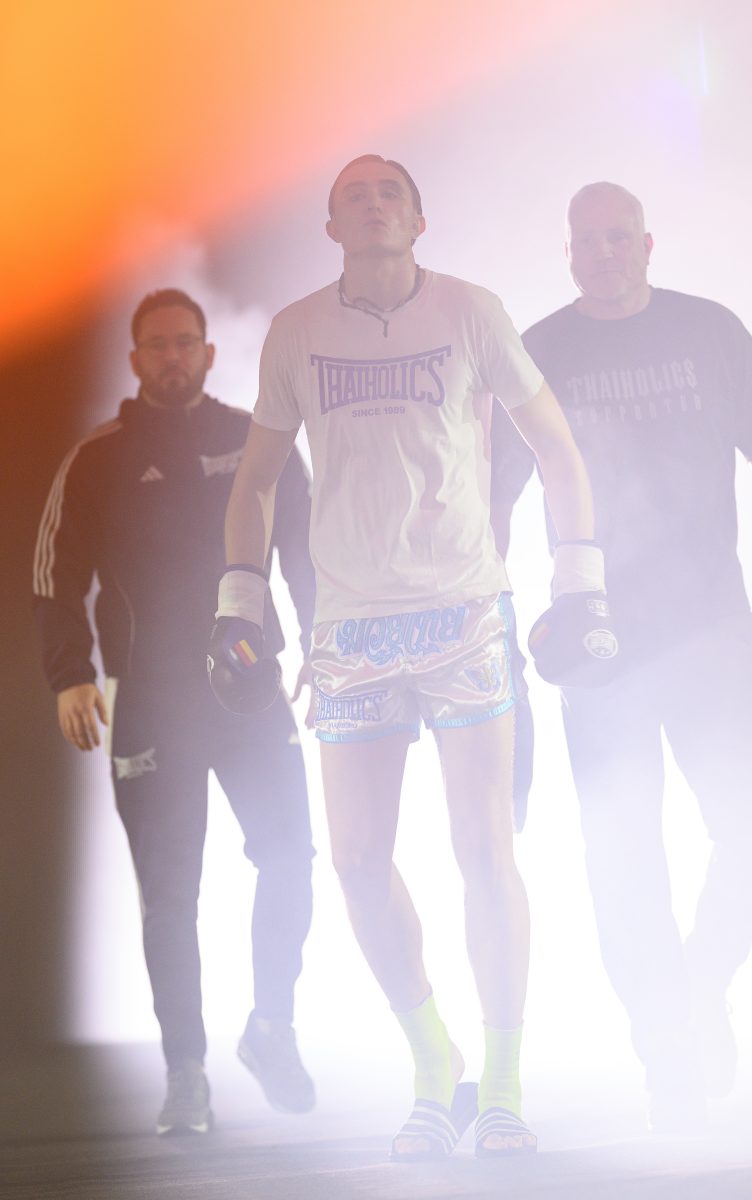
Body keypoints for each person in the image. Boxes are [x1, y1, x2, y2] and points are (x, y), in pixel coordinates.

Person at [210, 155, 604, 1160]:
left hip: (461, 609)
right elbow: (255, 480)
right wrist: (237, 604)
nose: (374, 201)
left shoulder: (470, 311)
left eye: (390, 190)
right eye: (355, 192)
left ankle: (503, 1083)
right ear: (330, 223)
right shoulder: (297, 333)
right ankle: (435, 1065)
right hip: (351, 628)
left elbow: (556, 446)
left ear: (418, 217)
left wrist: (578, 582)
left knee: (483, 851)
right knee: (351, 860)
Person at [490, 182, 752, 1132]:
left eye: (617, 237)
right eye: (584, 241)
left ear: (648, 244)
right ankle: (664, 1050)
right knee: (621, 853)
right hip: (598, 650)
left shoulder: (713, 332)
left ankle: (704, 983)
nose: (601, 252)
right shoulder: (542, 350)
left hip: (715, 632)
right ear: (567, 254)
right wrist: (493, 607)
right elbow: (491, 491)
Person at [32, 288, 317, 1134]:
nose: (173, 357)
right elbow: (53, 575)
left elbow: (304, 545)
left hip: (249, 686)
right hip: (153, 701)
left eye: (185, 342)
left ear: (207, 351)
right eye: (156, 346)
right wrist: (68, 676)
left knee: (292, 859)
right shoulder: (98, 457)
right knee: (169, 895)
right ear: (134, 360)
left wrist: (325, 645)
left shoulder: (251, 439)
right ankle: (185, 1073)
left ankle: (271, 1027)